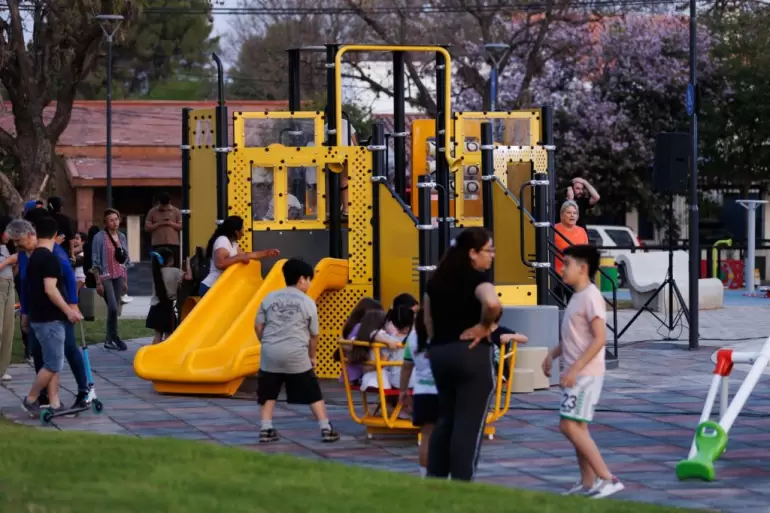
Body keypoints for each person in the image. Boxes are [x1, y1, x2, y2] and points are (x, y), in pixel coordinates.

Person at [541, 244, 624, 499]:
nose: (562, 268)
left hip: (586, 375)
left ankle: (607, 478)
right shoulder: (577, 296)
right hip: (578, 373)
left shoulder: (591, 296)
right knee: (577, 426)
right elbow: (575, 336)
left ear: (583, 268)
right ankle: (587, 483)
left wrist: (574, 370)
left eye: (566, 263)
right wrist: (552, 355)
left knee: (568, 426)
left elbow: (599, 339)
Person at [422, 227, 501, 481]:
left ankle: (435, 479)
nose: (492, 256)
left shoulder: (435, 281)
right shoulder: (479, 279)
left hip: (440, 353)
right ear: (472, 253)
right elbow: (492, 303)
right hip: (471, 355)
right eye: (489, 250)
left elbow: (427, 320)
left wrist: (436, 343)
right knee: (468, 425)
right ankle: (462, 485)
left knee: (445, 420)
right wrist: (485, 325)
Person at [255, 258, 340, 444]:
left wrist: (267, 343)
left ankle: (266, 428)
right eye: (309, 279)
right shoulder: (307, 302)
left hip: (270, 352)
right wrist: (312, 357)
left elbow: (258, 325)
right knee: (312, 391)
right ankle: (326, 427)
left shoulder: (269, 298)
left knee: (268, 392)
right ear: (301, 279)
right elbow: (314, 335)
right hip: (296, 353)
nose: (310, 283)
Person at [13, 216, 92, 409]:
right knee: (43, 354)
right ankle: (48, 398)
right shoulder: (27, 255)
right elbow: (26, 285)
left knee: (67, 350)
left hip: (58, 310)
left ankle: (84, 391)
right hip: (39, 310)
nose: (19, 243)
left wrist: (72, 306)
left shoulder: (56, 254)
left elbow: (68, 281)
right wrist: (25, 311)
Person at [199, 215, 279, 296]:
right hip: (211, 287)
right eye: (242, 228)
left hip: (220, 287)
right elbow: (220, 263)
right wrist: (239, 257)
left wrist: (266, 253)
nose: (243, 232)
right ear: (236, 232)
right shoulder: (222, 241)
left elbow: (246, 255)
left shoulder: (233, 244)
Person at [399, 309, 435, 479]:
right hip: (443, 391)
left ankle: (424, 475)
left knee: (426, 436)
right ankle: (446, 474)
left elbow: (406, 366)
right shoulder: (443, 335)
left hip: (422, 391)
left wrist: (403, 390)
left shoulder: (412, 338)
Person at [91, 208, 130, 351]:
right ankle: (113, 337)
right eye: (111, 220)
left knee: (115, 309)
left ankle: (110, 339)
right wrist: (98, 282)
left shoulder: (122, 237)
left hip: (119, 275)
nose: (115, 222)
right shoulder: (99, 237)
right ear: (105, 223)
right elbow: (95, 261)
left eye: (116, 219)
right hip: (105, 275)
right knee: (112, 306)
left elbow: (126, 260)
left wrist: (126, 280)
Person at [146, 247, 192, 344]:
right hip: (167, 309)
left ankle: (153, 355)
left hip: (155, 308)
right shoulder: (175, 271)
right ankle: (164, 356)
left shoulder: (157, 273)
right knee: (168, 336)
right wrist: (188, 263)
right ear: (170, 260)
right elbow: (189, 277)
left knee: (157, 336)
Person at [554, 201, 589, 303]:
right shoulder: (554, 229)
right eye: (569, 213)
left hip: (576, 274)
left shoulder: (581, 231)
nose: (572, 215)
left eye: (575, 213)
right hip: (557, 274)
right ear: (561, 215)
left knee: (575, 305)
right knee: (558, 305)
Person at [145, 192, 182, 268]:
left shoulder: (176, 211)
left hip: (173, 244)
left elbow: (181, 226)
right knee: (157, 267)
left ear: (170, 202)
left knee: (174, 267)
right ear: (159, 202)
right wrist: (159, 223)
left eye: (166, 206)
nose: (164, 208)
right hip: (157, 245)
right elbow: (147, 228)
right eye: (162, 205)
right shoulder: (152, 211)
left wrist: (170, 223)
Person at [0, 217, 17, 381]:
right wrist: (8, 261)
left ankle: (2, 367)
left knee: (8, 328)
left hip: (10, 286)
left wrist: (14, 264)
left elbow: (13, 272)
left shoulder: (9, 248)